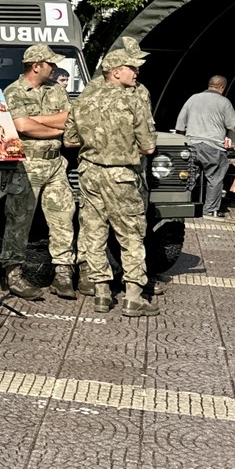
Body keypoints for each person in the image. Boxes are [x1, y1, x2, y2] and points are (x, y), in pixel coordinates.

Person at [64, 44, 158, 317]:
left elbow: (70, 140)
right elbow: (148, 147)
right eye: (131, 68)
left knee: (93, 233)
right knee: (130, 234)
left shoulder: (83, 100)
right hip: (121, 175)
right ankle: (133, 296)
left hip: (89, 174)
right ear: (115, 72)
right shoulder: (133, 100)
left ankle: (102, 294)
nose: (136, 72)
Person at [0, 43, 76, 300]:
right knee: (19, 221)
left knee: (63, 218)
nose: (55, 68)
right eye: (50, 63)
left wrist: (39, 122)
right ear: (36, 66)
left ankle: (63, 274)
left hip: (56, 164)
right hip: (27, 166)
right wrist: (56, 128)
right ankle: (13, 273)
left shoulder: (56, 89)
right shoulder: (14, 91)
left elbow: (71, 118)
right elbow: (22, 126)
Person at [175, 76, 235, 218]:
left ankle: (181, 205)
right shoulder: (224, 102)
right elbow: (232, 124)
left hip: (192, 145)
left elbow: (180, 123)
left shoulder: (193, 98)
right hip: (213, 146)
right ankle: (209, 210)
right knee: (215, 179)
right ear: (223, 87)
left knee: (187, 176)